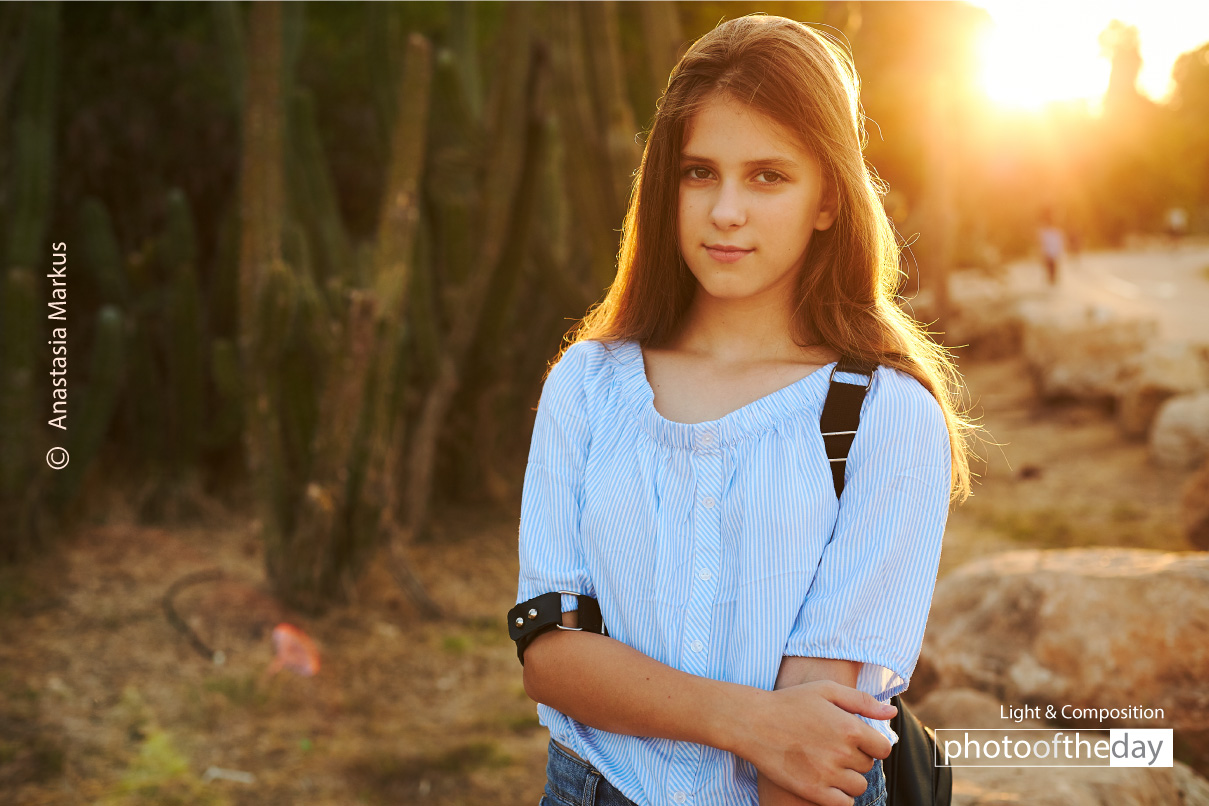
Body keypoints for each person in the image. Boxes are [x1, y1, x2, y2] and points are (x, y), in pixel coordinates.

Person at [516, 14, 976, 806]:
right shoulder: (586, 385)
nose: (725, 210)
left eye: (767, 176)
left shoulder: (885, 415)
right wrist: (748, 722)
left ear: (827, 199)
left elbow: (810, 748)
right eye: (699, 172)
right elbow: (550, 657)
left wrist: (768, 736)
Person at [1037, 208, 1065, 286]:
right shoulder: (1046, 232)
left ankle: (1052, 280)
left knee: (1052, 267)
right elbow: (1043, 243)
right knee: (1050, 267)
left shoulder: (1052, 232)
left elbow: (1058, 243)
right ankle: (1051, 280)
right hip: (1050, 253)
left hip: (1052, 253)